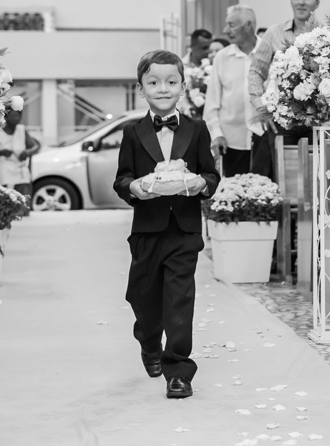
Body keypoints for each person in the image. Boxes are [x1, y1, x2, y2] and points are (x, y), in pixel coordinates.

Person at [113, 50, 220, 400]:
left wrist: (201, 183)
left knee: (179, 299)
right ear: (141, 89)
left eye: (171, 82)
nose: (163, 89)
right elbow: (122, 179)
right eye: (154, 83)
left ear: (183, 86)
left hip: (184, 229)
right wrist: (135, 188)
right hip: (146, 230)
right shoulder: (132, 133)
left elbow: (210, 174)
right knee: (142, 299)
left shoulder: (197, 129)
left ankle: (179, 370)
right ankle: (147, 338)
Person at [247, 0, 319, 176]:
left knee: (315, 174)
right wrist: (261, 107)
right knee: (283, 175)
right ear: (290, 1)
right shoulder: (274, 33)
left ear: (317, 3)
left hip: (317, 120)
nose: (302, 2)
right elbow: (255, 71)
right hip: (282, 119)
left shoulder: (326, 33)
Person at [204, 5, 261, 177]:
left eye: (231, 25)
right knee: (233, 195)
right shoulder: (222, 57)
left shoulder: (269, 52)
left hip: (263, 139)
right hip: (230, 142)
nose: (225, 30)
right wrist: (216, 134)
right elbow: (211, 102)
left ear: (248, 26)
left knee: (266, 195)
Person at [0, 106, 40, 208]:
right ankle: (2, 207)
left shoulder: (21, 130)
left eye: (18, 116)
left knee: (24, 176)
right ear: (6, 118)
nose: (16, 119)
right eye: (13, 117)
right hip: (3, 164)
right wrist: (1, 153)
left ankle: (23, 208)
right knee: (3, 176)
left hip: (19, 164)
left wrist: (27, 152)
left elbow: (36, 146)